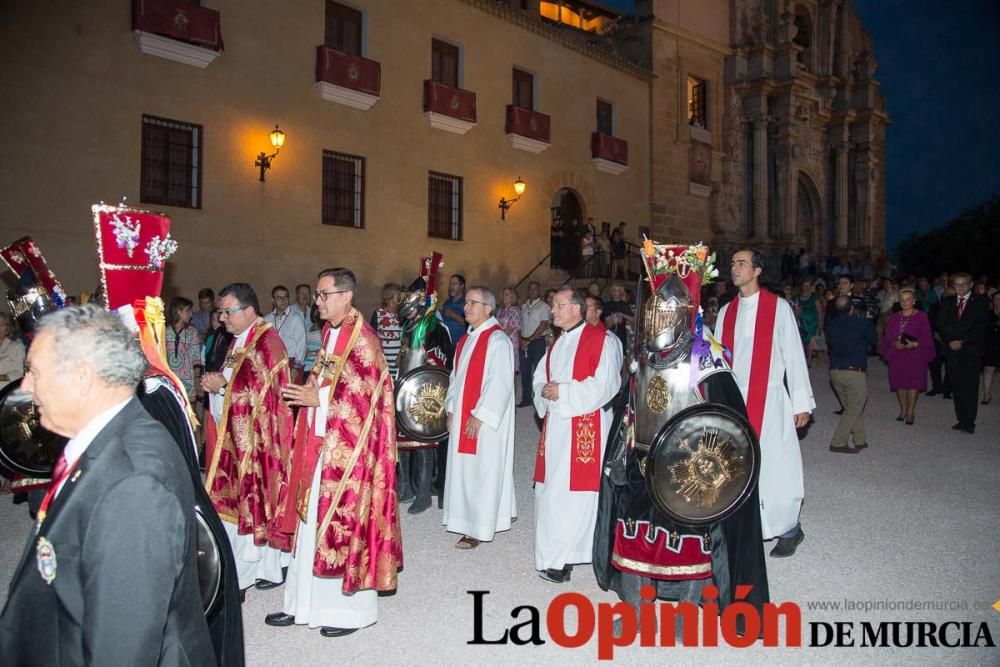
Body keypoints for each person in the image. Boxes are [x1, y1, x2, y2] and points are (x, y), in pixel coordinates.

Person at [0, 305, 215, 665]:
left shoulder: (134, 484)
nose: (25, 388)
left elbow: (121, 646)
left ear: (82, 378)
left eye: (34, 373)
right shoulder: (106, 438)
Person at [272, 268, 402, 637]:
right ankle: (301, 605)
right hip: (318, 443)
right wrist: (311, 395)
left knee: (344, 526)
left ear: (346, 296)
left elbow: (367, 398)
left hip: (350, 456)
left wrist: (321, 399)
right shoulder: (330, 334)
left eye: (323, 294)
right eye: (316, 294)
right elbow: (324, 379)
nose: (317, 301)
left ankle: (349, 613)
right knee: (308, 521)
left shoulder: (364, 340)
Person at [715, 249, 814, 557]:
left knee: (775, 462)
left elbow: (794, 355)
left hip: (769, 397)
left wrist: (801, 402)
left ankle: (788, 529)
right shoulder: (725, 312)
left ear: (757, 270)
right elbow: (717, 359)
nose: (735, 268)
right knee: (736, 465)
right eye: (732, 263)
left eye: (742, 263)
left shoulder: (778, 307)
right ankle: (747, 526)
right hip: (734, 398)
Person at [201, 283, 295, 593]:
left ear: (249, 311)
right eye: (221, 312)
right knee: (237, 503)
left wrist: (222, 389)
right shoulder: (240, 341)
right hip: (237, 439)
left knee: (258, 501)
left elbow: (266, 401)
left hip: (260, 444)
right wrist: (219, 385)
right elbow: (237, 383)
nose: (222, 318)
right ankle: (257, 568)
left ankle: (256, 570)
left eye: (228, 312)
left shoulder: (268, 345)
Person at [532, 288, 622, 583]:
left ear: (576, 309)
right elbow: (539, 378)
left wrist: (564, 391)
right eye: (553, 305)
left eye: (558, 306)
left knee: (573, 495)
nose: (552, 311)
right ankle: (557, 554)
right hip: (556, 426)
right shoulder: (556, 344)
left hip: (586, 424)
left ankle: (565, 557)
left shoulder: (603, 341)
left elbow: (606, 385)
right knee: (551, 491)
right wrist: (544, 392)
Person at [442, 286, 517, 549]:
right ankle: (463, 519)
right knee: (465, 470)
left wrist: (480, 415)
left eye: (473, 302)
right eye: (466, 303)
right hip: (463, 415)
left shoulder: (497, 341)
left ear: (488, 308)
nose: (467, 307)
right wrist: (451, 408)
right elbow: (455, 378)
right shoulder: (465, 340)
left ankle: (479, 526)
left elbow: (501, 384)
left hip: (483, 422)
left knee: (483, 471)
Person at [937, 273, 989, 434]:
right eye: (957, 284)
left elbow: (979, 327)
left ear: (971, 284)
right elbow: (941, 324)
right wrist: (950, 340)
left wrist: (962, 341)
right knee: (957, 385)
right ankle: (961, 419)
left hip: (970, 350)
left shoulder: (980, 302)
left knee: (970, 386)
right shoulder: (947, 302)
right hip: (952, 350)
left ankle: (969, 422)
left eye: (963, 284)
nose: (960, 287)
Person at [825, 296, 876, 452]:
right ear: (852, 308)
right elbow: (874, 342)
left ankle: (860, 439)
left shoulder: (830, 324)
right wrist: (869, 321)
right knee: (854, 407)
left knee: (851, 406)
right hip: (854, 372)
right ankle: (838, 442)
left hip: (835, 372)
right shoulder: (862, 323)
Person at [878, 287, 934, 425]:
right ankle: (903, 410)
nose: (905, 302)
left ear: (914, 301)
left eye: (908, 299)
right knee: (899, 384)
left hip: (915, 355)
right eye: (902, 300)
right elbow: (888, 335)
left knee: (913, 384)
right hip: (898, 354)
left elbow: (927, 336)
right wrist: (894, 343)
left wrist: (915, 344)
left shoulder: (922, 316)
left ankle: (910, 412)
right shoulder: (895, 317)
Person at [265, 285, 307, 379]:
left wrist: (296, 368)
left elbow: (301, 345)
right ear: (273, 300)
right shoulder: (267, 319)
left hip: (291, 363)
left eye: (285, 297)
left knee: (291, 393)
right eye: (279, 298)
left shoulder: (296, 318)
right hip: (273, 363)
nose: (283, 300)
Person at [165, 296, 202, 401]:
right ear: (178, 312)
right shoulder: (163, 331)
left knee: (189, 414)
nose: (191, 314)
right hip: (168, 379)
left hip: (188, 382)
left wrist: (197, 379)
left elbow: (196, 358)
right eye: (188, 311)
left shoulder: (191, 331)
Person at [370, 282, 403, 378]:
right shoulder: (378, 314)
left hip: (399, 361)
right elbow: (372, 337)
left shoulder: (402, 315)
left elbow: (406, 337)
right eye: (398, 296)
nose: (401, 299)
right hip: (383, 360)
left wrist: (401, 353)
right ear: (390, 298)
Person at [795, 279, 824, 368]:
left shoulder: (814, 296)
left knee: (810, 340)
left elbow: (819, 311)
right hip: (802, 321)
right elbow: (797, 310)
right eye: (805, 285)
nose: (806, 287)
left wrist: (820, 323)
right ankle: (803, 358)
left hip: (813, 322)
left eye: (808, 285)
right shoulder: (798, 297)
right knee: (802, 341)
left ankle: (808, 360)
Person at [981, 292, 1000, 404]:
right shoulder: (988, 314)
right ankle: (986, 395)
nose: (998, 301)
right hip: (992, 345)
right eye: (996, 299)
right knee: (988, 370)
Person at [0, 312, 25, 390]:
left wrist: (3, 377)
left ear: (7, 329)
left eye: (1, 325)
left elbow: (21, 373)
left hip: (8, 393)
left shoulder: (15, 347)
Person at [441, 273, 467, 344]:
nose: (451, 287)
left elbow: (468, 323)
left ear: (462, 286)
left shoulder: (467, 302)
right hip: (445, 342)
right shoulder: (446, 303)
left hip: (459, 343)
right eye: (450, 284)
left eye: (454, 284)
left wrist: (453, 315)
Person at [495, 286, 522, 354]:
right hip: (499, 340)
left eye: (506, 294)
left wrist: (496, 339)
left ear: (512, 297)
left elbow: (510, 329)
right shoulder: (500, 310)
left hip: (509, 341)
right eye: (503, 294)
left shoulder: (515, 310)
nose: (504, 296)